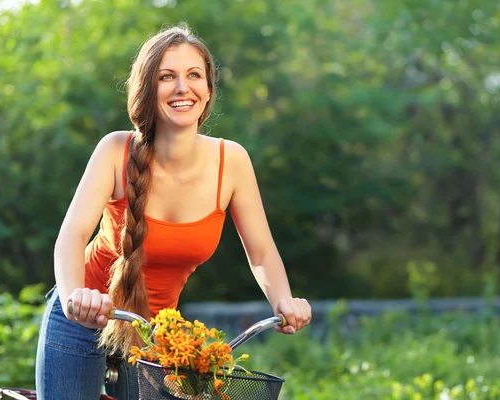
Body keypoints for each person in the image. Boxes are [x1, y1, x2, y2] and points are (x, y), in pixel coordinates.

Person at [35, 23, 312, 400]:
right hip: (84, 317)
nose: (183, 88)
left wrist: (283, 299)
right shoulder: (115, 150)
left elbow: (261, 250)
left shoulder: (231, 161)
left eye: (194, 75)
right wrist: (74, 299)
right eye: (168, 76)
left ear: (209, 89)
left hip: (156, 336)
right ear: (148, 89)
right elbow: (72, 235)